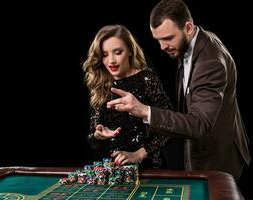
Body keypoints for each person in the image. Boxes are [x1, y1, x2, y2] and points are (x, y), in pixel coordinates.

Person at [106, 0, 250, 180]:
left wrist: (144, 110)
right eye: (158, 40)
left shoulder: (210, 62)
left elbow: (200, 124)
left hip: (217, 157)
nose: (162, 47)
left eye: (167, 38)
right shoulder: (193, 42)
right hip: (200, 148)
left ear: (188, 27)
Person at [82, 24, 175, 169]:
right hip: (110, 168)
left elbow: (170, 126)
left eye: (118, 52)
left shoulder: (147, 79)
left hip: (146, 168)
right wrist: (97, 134)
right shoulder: (101, 82)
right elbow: (92, 136)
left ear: (130, 51)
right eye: (105, 54)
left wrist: (139, 153)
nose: (111, 60)